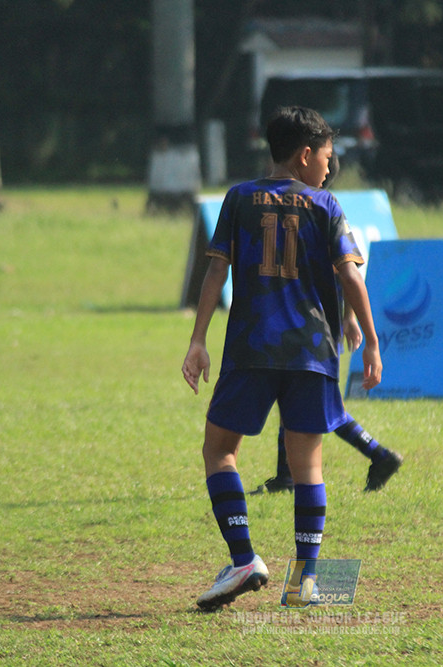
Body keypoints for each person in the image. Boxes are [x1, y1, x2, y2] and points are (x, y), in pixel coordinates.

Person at [182, 106, 382, 612]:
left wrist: (198, 339)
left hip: (251, 348)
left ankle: (245, 558)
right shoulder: (325, 205)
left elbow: (214, 274)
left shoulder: (240, 198)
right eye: (329, 157)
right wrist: (373, 342)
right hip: (313, 353)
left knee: (219, 450)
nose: (330, 168)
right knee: (307, 464)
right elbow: (351, 277)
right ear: (305, 154)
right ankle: (305, 583)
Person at [251, 151, 402, 496]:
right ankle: (287, 476)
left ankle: (379, 454)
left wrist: (349, 319)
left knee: (321, 406)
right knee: (296, 398)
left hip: (316, 327)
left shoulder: (317, 210)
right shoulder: (304, 208)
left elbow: (347, 273)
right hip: (306, 324)